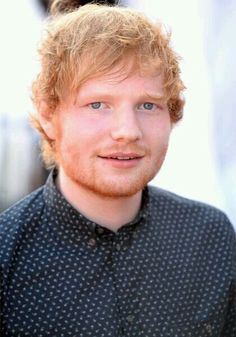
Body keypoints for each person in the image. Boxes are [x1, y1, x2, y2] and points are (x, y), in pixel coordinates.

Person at [0, 1, 235, 336]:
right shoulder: (7, 256)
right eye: (98, 104)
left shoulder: (211, 238)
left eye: (148, 105)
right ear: (50, 116)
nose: (128, 130)